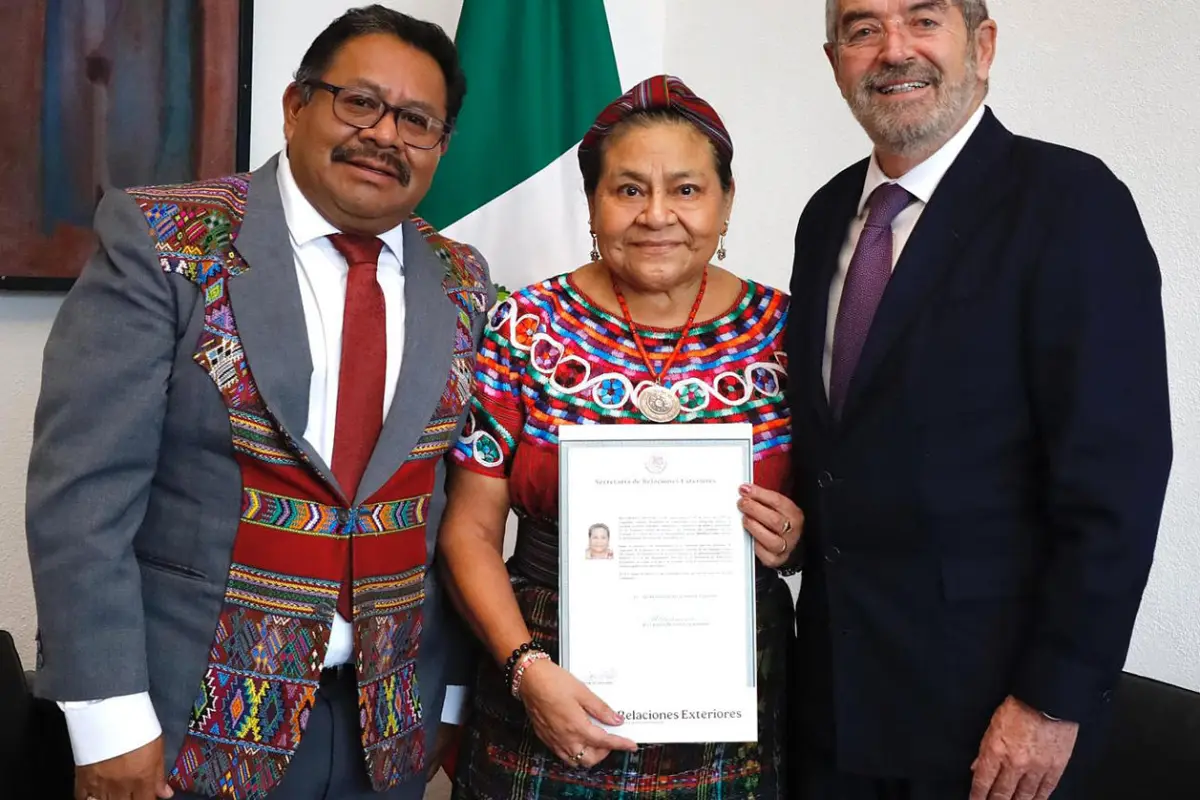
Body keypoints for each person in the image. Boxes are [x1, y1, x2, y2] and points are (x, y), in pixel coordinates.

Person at [24, 6, 493, 800]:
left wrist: (447, 697)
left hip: (387, 730)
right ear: (295, 104)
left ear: (441, 146)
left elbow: (443, 503)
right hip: (181, 728)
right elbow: (82, 497)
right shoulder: (165, 238)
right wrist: (108, 721)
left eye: (417, 120)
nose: (386, 135)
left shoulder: (462, 276)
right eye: (359, 102)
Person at [786, 1, 1173, 799]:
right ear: (833, 63)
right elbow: (844, 452)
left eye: (923, 20)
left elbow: (1116, 484)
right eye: (862, 30)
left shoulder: (1071, 203)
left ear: (982, 45)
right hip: (831, 702)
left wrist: (1049, 701)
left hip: (992, 729)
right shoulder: (825, 216)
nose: (894, 51)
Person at [437, 75, 802, 799]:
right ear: (594, 204)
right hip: (546, 669)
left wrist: (797, 536)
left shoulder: (786, 332)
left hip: (733, 682)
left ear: (726, 203)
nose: (657, 215)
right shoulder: (526, 325)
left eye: (687, 190)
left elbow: (850, 505)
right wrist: (526, 672)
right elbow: (468, 534)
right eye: (629, 189)